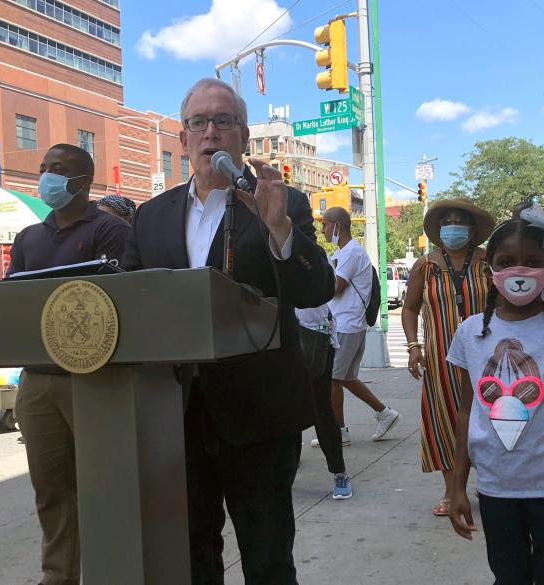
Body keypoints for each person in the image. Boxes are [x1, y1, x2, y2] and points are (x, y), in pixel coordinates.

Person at [122, 78, 331, 585]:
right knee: (191, 554)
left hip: (259, 416)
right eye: (199, 123)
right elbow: (127, 299)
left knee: (267, 556)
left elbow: (315, 288)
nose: (210, 133)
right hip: (177, 415)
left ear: (243, 137)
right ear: (182, 138)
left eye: (224, 122)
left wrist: (279, 227)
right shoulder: (150, 217)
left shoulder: (280, 202)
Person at [447, 209, 544, 584]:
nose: (520, 271)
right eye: (507, 262)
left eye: (533, 262)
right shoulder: (471, 333)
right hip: (496, 489)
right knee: (508, 577)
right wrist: (456, 487)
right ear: (491, 271)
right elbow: (467, 412)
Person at [8, 144, 131, 585]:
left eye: (57, 170)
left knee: (102, 486)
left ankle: (111, 570)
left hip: (93, 379)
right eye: (43, 168)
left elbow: (118, 300)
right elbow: (13, 301)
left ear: (84, 181)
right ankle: (57, 576)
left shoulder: (109, 231)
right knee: (50, 489)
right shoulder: (28, 238)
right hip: (38, 381)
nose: (46, 177)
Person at [401, 199, 495, 517]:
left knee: (492, 419)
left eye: (459, 220)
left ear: (471, 229)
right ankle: (452, 492)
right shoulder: (424, 266)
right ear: (439, 229)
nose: (453, 225)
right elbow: (411, 308)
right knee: (444, 423)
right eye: (447, 220)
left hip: (487, 358)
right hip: (441, 359)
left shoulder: (488, 263)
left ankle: (492, 485)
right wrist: (414, 346)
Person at [323, 207, 400, 445]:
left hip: (347, 323)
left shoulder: (351, 253)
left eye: (325, 224)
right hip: (346, 323)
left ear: (337, 226)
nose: (322, 230)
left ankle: (339, 431)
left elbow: (335, 288)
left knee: (334, 378)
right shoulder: (346, 252)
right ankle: (384, 413)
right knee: (344, 377)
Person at [295, 294, 351, 500]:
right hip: (285, 338)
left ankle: (340, 473)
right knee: (288, 410)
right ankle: (285, 475)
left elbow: (329, 288)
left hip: (314, 338)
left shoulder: (313, 262)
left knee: (321, 409)